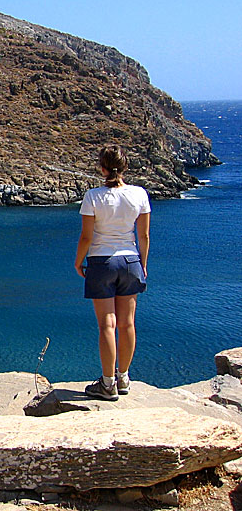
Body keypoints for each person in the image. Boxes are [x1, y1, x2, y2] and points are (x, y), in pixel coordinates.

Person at [74, 144, 151, 401]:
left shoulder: (93, 196)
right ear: (124, 166)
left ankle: (107, 384)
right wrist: (143, 263)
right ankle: (124, 377)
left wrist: (78, 262)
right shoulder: (139, 194)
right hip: (130, 262)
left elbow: (87, 236)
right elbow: (144, 235)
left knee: (107, 324)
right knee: (127, 323)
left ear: (102, 168)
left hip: (101, 262)